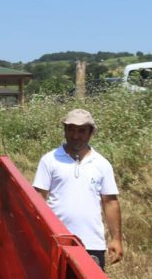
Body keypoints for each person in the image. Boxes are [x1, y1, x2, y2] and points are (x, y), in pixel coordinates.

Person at [33, 109, 123, 270]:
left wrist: (116, 239)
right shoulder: (49, 160)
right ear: (65, 131)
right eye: (71, 130)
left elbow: (110, 202)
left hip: (91, 243)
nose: (75, 135)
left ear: (91, 133)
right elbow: (38, 199)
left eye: (81, 131)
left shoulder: (102, 164)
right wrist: (37, 235)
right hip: (56, 240)